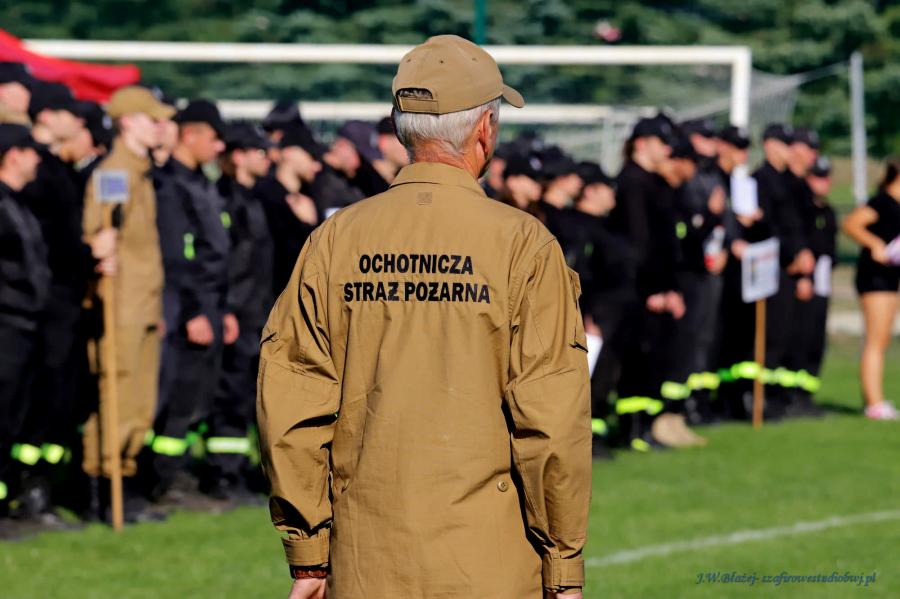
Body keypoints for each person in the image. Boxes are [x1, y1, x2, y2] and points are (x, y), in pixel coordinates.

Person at [257, 35, 590, 599]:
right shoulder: (524, 245)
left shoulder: (335, 239)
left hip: (363, 562)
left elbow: (291, 401)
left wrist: (309, 555)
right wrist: (563, 564)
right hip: (489, 565)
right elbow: (551, 419)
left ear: (400, 128)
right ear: (485, 128)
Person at [80, 86, 175, 521]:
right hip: (121, 305)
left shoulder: (141, 172)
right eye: (151, 119)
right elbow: (100, 232)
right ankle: (105, 486)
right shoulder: (115, 173)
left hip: (143, 303)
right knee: (118, 392)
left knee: (139, 397)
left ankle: (126, 476)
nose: (160, 127)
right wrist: (100, 249)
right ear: (127, 122)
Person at [148, 99, 229, 502]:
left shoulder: (201, 182)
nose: (219, 147)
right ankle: (159, 479)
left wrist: (223, 308)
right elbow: (179, 256)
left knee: (198, 395)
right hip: (185, 306)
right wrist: (195, 311)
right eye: (213, 137)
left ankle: (174, 473)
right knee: (177, 396)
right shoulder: (170, 185)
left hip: (209, 302)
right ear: (191, 134)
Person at [203, 123, 275, 501]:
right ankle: (222, 473)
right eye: (259, 152)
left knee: (250, 394)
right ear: (238, 156)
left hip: (257, 313)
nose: (267, 159)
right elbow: (224, 263)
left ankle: (242, 468)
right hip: (237, 314)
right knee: (229, 394)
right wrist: (227, 309)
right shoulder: (224, 199)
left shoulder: (255, 198)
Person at [607, 114, 685, 451]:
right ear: (641, 143)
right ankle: (631, 428)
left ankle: (647, 425)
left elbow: (665, 244)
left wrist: (671, 288)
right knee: (637, 360)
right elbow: (638, 244)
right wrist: (653, 289)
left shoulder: (655, 183)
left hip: (658, 289)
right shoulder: (632, 183)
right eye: (661, 142)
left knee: (655, 358)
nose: (667, 150)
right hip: (639, 289)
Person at [0, 125, 50, 526]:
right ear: (13, 155)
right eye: (32, 152)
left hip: (25, 326)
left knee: (12, 419)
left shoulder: (20, 204)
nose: (38, 159)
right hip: (5, 326)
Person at [843, 157, 900, 421]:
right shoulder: (882, 202)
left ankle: (876, 399)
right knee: (875, 339)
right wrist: (875, 244)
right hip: (874, 278)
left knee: (883, 339)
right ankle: (874, 404)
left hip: (891, 277)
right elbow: (851, 223)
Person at [792, 155, 837, 411]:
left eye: (826, 177)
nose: (823, 182)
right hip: (806, 281)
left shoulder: (827, 211)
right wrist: (804, 278)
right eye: (818, 177)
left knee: (816, 340)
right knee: (801, 336)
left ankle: (808, 394)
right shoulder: (803, 209)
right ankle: (793, 395)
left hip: (823, 282)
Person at [254, 125, 320, 296]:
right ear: (290, 153)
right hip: (269, 298)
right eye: (311, 156)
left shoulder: (310, 196)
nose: (317, 166)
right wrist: (306, 226)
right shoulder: (264, 197)